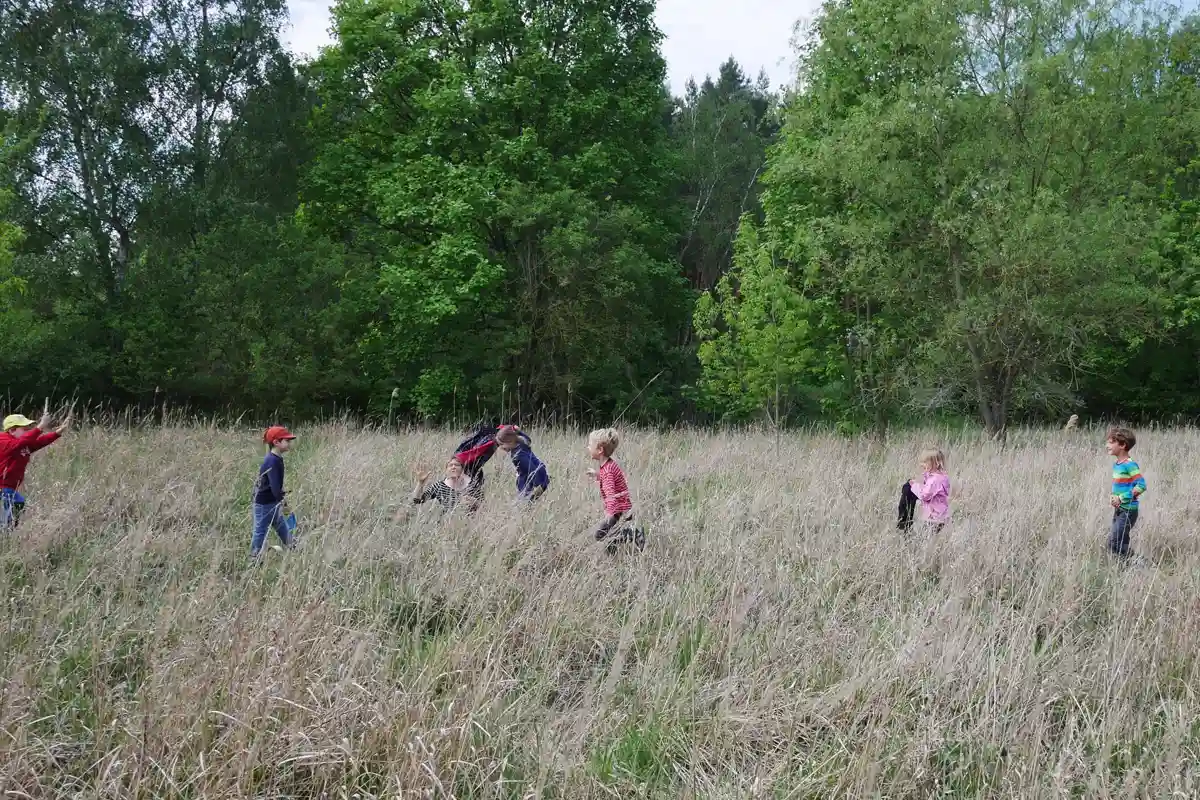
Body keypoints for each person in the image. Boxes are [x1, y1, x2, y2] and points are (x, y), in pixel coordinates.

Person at [1, 408, 71, 529]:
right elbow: (20, 443)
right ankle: (6, 530)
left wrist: (57, 432)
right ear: (12, 430)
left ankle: (7, 530)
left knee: (15, 506)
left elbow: (39, 442)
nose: (28, 431)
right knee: (16, 503)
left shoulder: (22, 443)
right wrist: (40, 427)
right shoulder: (4, 440)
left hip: (11, 487)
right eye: (24, 429)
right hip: (2, 486)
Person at [587, 427, 644, 553]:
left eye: (590, 445)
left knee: (599, 535)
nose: (588, 447)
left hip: (617, 510)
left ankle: (632, 534)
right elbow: (609, 480)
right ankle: (612, 554)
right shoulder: (609, 465)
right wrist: (596, 475)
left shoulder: (607, 471)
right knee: (608, 536)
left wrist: (609, 515)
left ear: (600, 450)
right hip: (622, 508)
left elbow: (611, 495)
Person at [250, 425, 297, 561]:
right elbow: (275, 487)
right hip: (264, 504)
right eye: (286, 440)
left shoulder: (276, 459)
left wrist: (281, 501)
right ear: (276, 442)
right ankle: (254, 558)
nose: (289, 443)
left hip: (273, 502)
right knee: (260, 532)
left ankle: (294, 547)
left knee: (282, 526)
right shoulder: (272, 461)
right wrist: (283, 501)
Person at [1106, 426, 1146, 559]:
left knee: (1117, 541)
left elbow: (1141, 485)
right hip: (1120, 509)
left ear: (1123, 445)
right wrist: (1113, 497)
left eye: (1111, 442)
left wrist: (1122, 498)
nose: (1107, 445)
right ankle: (1126, 564)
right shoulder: (1118, 464)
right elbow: (1121, 485)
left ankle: (1132, 564)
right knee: (1114, 541)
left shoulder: (1130, 465)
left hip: (1128, 510)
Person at [496, 425, 549, 505]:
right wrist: (518, 431)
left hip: (529, 482)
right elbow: (528, 439)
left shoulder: (517, 456)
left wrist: (537, 484)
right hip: (541, 473)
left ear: (510, 441)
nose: (501, 448)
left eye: (502, 445)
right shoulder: (522, 443)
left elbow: (531, 469)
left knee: (522, 505)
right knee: (528, 503)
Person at [408, 458, 483, 515]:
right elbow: (417, 500)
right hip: (445, 524)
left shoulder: (471, 485)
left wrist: (475, 502)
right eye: (450, 465)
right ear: (446, 470)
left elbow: (485, 508)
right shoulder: (439, 485)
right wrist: (420, 483)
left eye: (457, 465)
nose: (453, 467)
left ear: (462, 469)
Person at [906, 447, 950, 534]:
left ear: (935, 463)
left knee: (927, 539)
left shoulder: (935, 480)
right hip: (940, 516)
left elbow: (925, 495)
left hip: (934, 518)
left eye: (925, 462)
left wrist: (914, 486)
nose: (922, 465)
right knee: (932, 539)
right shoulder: (941, 477)